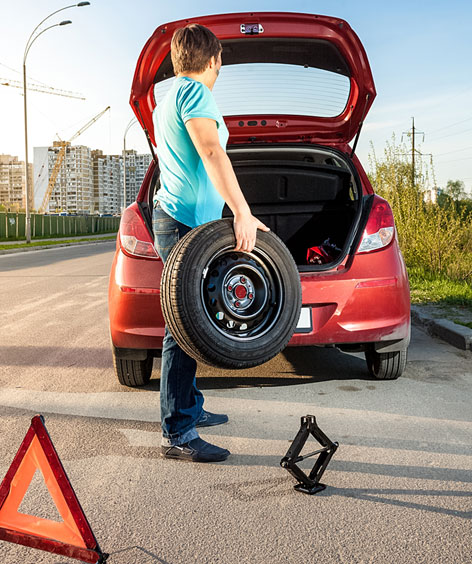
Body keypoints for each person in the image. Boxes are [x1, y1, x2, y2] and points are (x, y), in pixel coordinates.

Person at [152, 23, 269, 463]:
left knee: (188, 319)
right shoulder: (196, 94)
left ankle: (189, 408)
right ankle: (178, 431)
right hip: (183, 223)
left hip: (180, 220)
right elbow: (211, 152)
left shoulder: (170, 97)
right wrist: (241, 212)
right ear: (214, 59)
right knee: (182, 326)